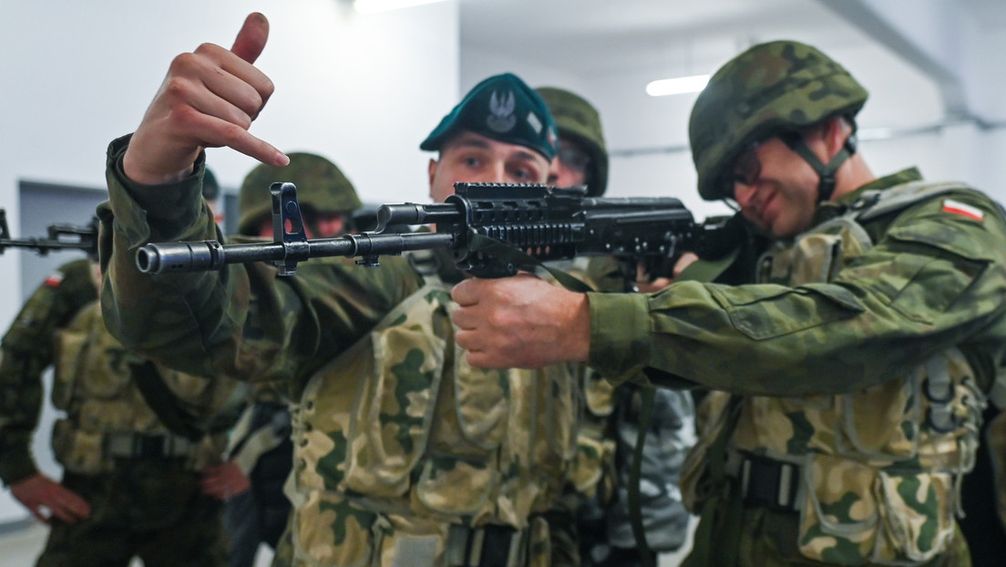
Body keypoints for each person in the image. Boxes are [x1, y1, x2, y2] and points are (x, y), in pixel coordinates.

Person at [450, 40, 1006, 566]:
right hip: (728, 539)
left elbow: (850, 327)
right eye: (728, 188)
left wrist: (584, 324)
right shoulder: (759, 250)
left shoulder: (955, 226)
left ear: (830, 133)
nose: (743, 197)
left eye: (748, 170)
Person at [97, 13, 582, 566]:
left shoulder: (571, 305)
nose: (494, 180)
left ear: (549, 188)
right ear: (432, 176)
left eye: (521, 169)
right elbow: (198, 323)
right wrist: (157, 183)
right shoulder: (375, 279)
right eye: (472, 159)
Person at [0, 175, 239, 566]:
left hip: (193, 489)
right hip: (94, 488)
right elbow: (12, 366)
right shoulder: (78, 285)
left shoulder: (224, 283)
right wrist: (18, 469)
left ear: (215, 214)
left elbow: (266, 372)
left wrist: (247, 459)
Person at [536, 86, 694, 566]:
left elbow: (662, 419)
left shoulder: (619, 278)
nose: (555, 170)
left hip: (600, 534)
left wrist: (637, 539)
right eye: (544, 153)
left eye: (573, 159)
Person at [203, 152, 364, 567]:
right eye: (312, 216)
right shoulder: (244, 302)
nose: (331, 229)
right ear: (262, 228)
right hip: (261, 475)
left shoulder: (358, 298)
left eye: (338, 217)